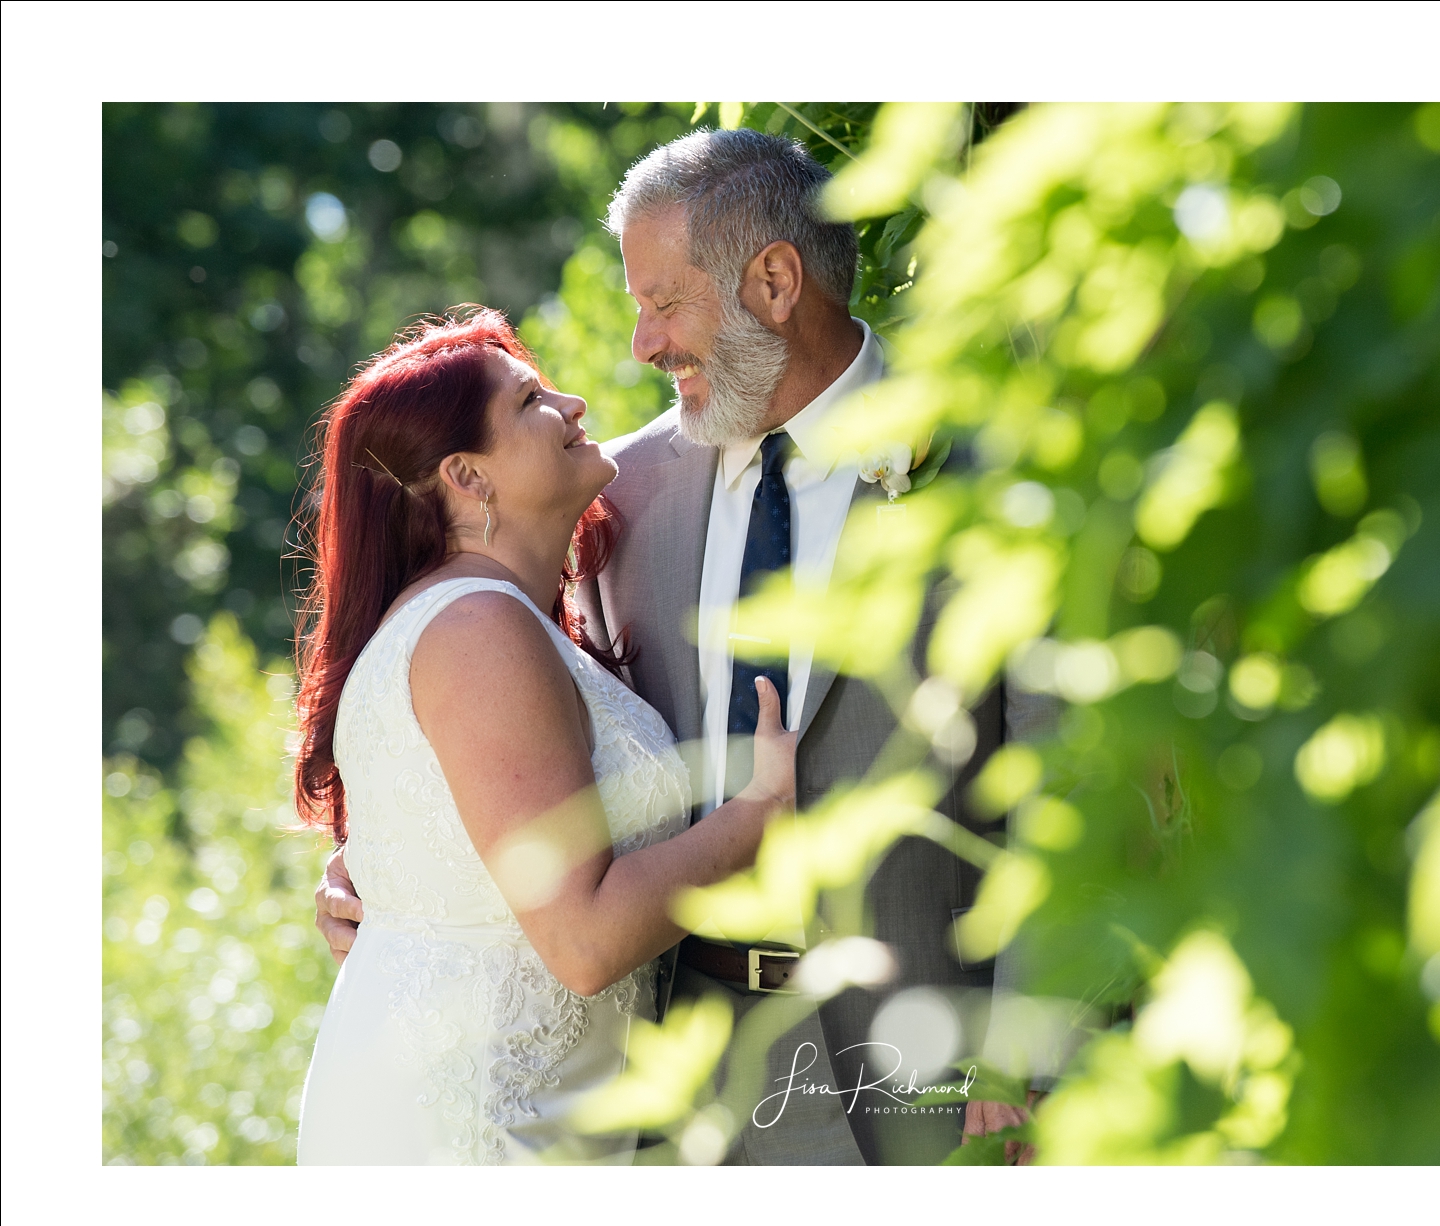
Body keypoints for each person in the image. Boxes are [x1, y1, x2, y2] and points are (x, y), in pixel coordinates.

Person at [319, 129, 1032, 1165]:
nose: (642, 346)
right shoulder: (623, 495)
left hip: (944, 1068)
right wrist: (389, 870)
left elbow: (1065, 764)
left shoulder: (986, 464)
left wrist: (1028, 1048)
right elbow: (524, 754)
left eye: (663, 303)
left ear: (777, 280)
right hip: (684, 1089)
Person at [293, 307, 796, 1165]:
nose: (574, 402)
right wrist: (754, 818)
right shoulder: (479, 628)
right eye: (531, 400)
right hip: (477, 1131)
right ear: (467, 476)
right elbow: (585, 940)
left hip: (521, 1109)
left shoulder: (495, 619)